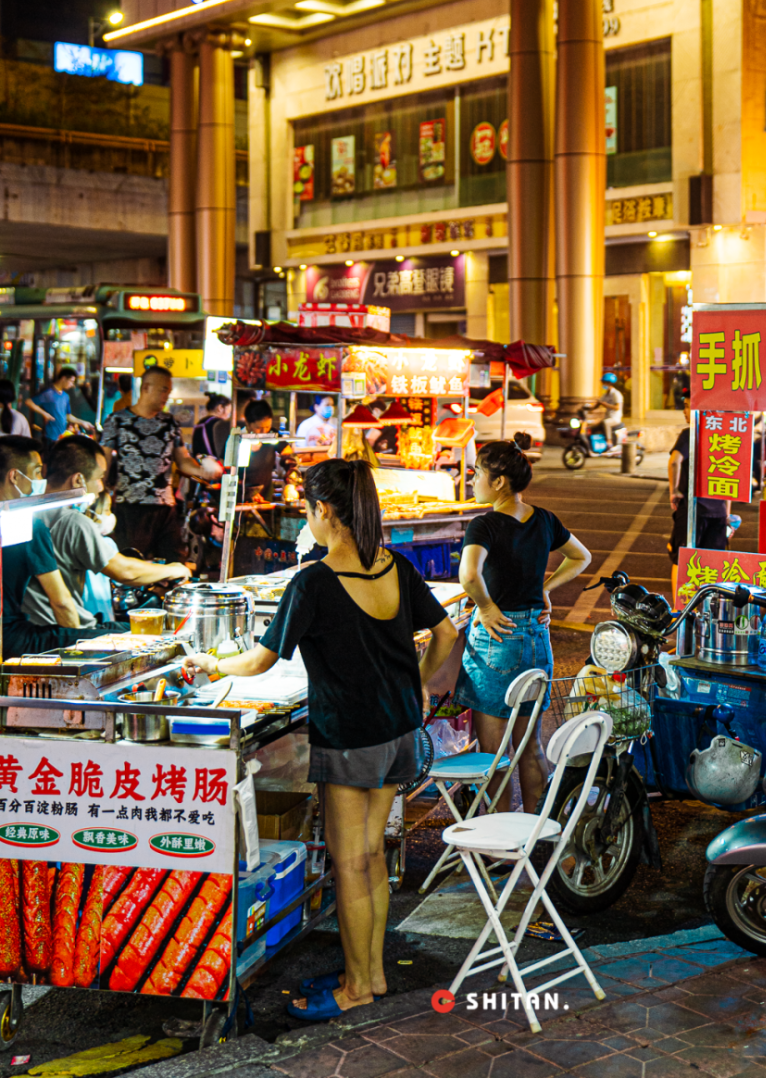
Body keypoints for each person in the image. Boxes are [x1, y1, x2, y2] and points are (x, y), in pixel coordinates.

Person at [187, 458, 457, 1018]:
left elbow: (260, 660)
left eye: (308, 511)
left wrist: (212, 664)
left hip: (350, 736)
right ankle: (373, 973)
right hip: (399, 730)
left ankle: (357, 987)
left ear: (324, 511)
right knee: (373, 856)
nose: (307, 522)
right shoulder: (394, 565)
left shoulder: (313, 580)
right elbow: (447, 633)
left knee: (350, 861)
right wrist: (420, 685)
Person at [454, 434, 592, 812]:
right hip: (536, 640)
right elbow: (581, 557)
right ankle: (536, 830)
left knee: (494, 754)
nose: (472, 480)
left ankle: (500, 847)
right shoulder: (544, 520)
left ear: (499, 482)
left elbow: (469, 576)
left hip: (498, 642)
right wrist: (545, 587)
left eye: (477, 473)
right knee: (530, 747)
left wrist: (484, 606)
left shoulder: (485, 525)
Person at [23, 436, 191, 642]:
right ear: (78, 480)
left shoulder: (27, 513)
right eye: (99, 478)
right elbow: (124, 571)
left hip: (37, 628)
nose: (101, 487)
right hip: (63, 631)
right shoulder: (73, 522)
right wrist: (175, 569)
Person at [0, 436, 121, 657]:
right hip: (10, 637)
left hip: (10, 634)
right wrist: (79, 652)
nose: (41, 480)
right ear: (15, 476)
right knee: (120, 639)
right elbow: (62, 602)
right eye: (37, 472)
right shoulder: (28, 525)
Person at [99, 365, 210, 561]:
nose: (166, 395)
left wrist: (205, 471)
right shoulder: (117, 420)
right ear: (146, 388)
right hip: (131, 505)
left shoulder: (169, 423)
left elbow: (182, 460)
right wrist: (101, 493)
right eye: (163, 389)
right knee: (132, 563)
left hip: (165, 506)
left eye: (168, 390)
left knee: (174, 562)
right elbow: (103, 460)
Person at [668, 402, 729, 568]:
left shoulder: (690, 434)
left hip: (692, 510)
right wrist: (727, 513)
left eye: (688, 406)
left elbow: (675, 461)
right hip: (718, 513)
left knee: (682, 561)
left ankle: (680, 595)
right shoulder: (727, 436)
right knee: (713, 564)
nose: (684, 411)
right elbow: (731, 478)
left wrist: (673, 491)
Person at [25, 367, 89, 444]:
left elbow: (68, 416)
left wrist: (82, 422)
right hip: (50, 436)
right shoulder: (48, 393)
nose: (72, 385)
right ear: (63, 378)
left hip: (61, 436)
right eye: (71, 381)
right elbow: (29, 402)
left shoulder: (65, 396)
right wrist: (44, 414)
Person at [192, 394, 232, 459]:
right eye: (228, 411)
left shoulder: (199, 424)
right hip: (216, 465)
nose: (228, 415)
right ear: (220, 408)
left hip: (200, 464)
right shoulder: (219, 423)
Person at [594, 371, 624, 446]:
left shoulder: (616, 394)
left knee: (606, 423)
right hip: (608, 417)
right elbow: (599, 403)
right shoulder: (605, 394)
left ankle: (609, 441)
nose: (603, 384)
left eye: (604, 382)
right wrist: (589, 408)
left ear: (609, 383)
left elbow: (617, 407)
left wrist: (606, 405)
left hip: (615, 419)